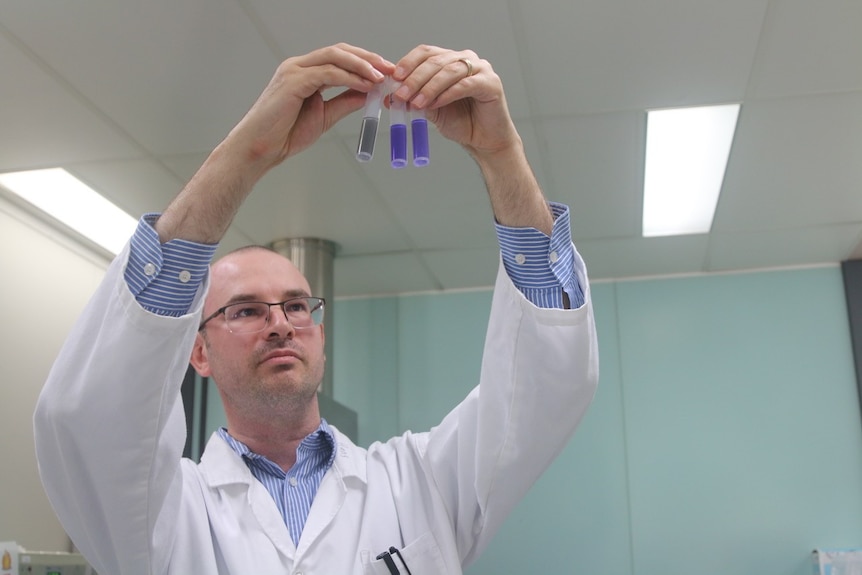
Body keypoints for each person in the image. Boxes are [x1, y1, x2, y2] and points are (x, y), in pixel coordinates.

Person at [34, 43, 599, 574]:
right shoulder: (162, 512)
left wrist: (501, 156)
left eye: (298, 307)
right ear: (198, 353)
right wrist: (245, 155)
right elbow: (90, 422)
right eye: (246, 311)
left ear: (321, 338)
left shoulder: (422, 481)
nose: (281, 323)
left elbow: (543, 388)